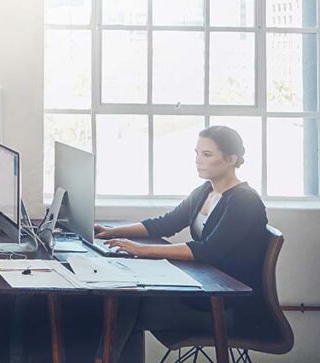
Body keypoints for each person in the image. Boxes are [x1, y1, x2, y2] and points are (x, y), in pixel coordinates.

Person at [91, 125, 269, 362]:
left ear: (231, 159)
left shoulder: (245, 201)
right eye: (197, 153)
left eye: (207, 154)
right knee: (124, 300)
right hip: (204, 295)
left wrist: (142, 250)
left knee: (124, 305)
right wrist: (111, 231)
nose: (198, 160)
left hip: (228, 309)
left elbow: (208, 251)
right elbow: (165, 224)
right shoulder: (205, 191)